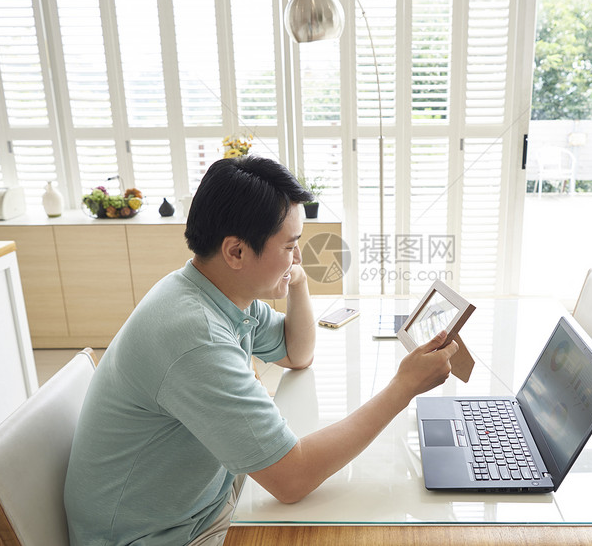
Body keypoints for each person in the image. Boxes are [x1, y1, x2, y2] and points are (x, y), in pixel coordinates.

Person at [64, 155, 458, 546]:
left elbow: (295, 352)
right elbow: (292, 480)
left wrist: (295, 279)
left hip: (199, 501)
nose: (299, 255)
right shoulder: (195, 337)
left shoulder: (213, 291)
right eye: (290, 245)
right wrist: (402, 388)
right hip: (159, 535)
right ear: (236, 252)